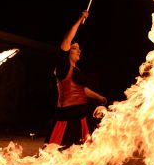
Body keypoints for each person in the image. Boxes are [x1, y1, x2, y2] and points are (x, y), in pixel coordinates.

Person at [45, 10, 107, 149]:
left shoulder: (76, 71)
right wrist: (80, 18)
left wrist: (98, 97)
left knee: (80, 152)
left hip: (80, 116)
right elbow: (67, 40)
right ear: (67, 52)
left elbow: (81, 90)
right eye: (74, 49)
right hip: (65, 118)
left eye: (79, 49)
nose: (79, 51)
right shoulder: (63, 67)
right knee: (55, 153)